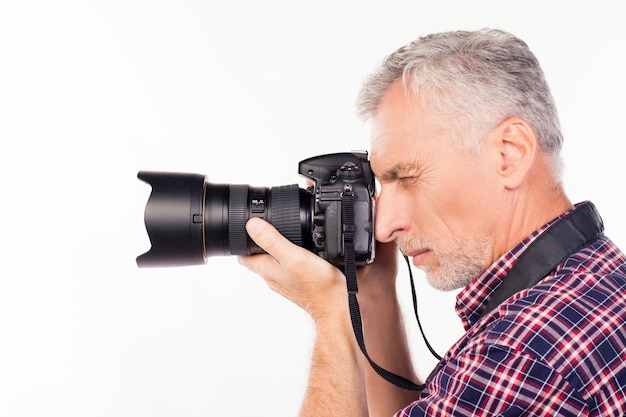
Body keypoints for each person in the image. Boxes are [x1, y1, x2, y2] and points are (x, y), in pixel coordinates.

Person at [238, 28, 626, 416]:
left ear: (509, 154)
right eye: (380, 184)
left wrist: (331, 315)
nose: (383, 225)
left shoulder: (522, 353)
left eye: (405, 177)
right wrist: (373, 295)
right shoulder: (596, 274)